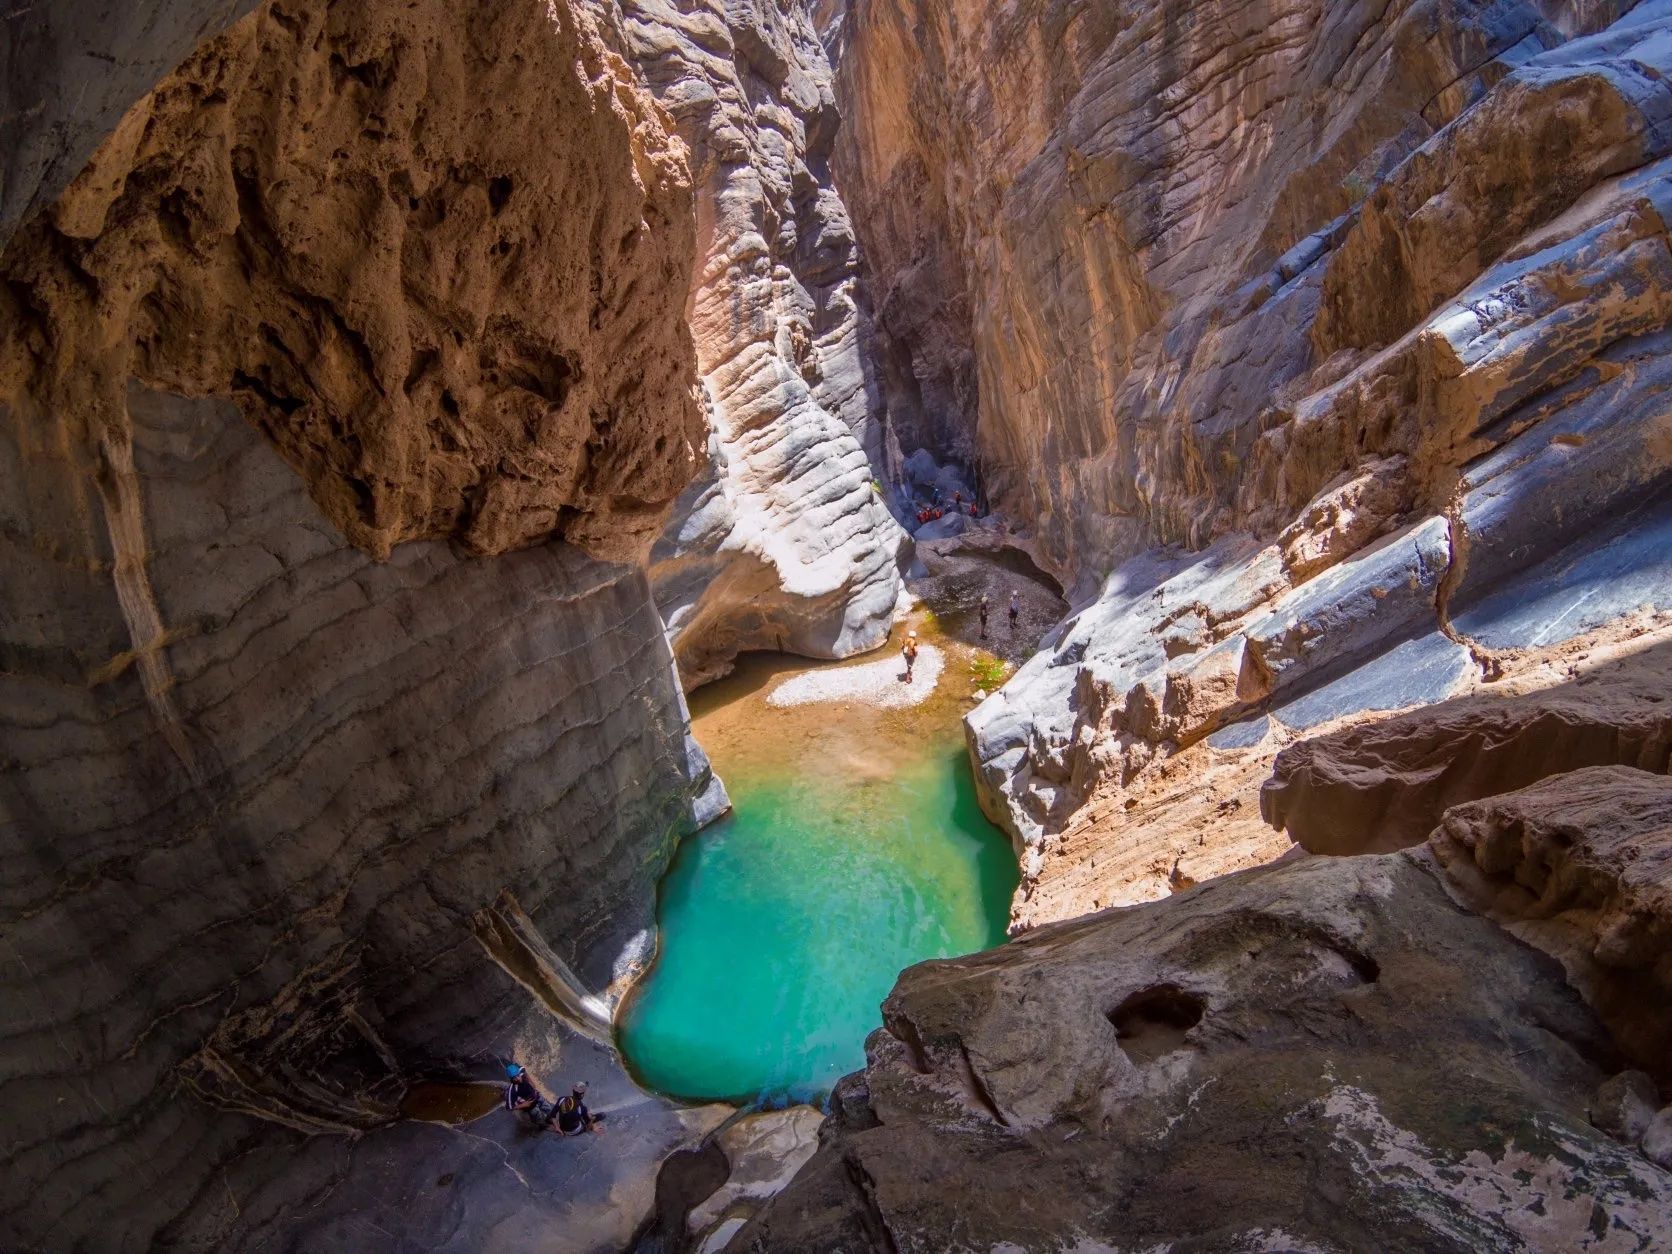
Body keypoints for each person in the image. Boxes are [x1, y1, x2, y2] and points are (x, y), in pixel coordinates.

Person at [504, 1063, 553, 1127]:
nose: (518, 1078)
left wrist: (531, 1083)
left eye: (518, 1075)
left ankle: (549, 1119)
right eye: (514, 1078)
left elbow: (523, 1070)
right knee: (538, 1116)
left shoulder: (521, 1072)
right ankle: (542, 1125)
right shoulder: (512, 1090)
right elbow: (509, 1107)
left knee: (548, 1108)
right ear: (511, 1079)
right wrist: (524, 1105)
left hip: (537, 1096)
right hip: (530, 1105)